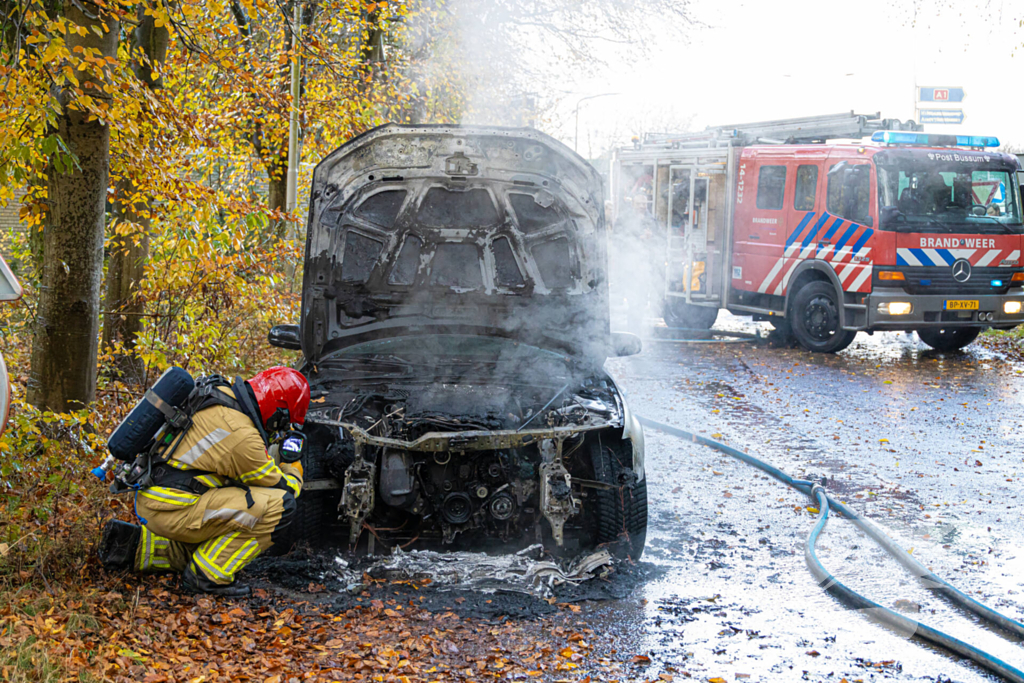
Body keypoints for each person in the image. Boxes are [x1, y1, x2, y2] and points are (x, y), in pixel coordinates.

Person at [98, 367, 310, 596]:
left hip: (156, 497)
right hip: (172, 507)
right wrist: (293, 465)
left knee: (228, 517)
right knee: (278, 505)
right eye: (282, 422)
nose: (278, 429)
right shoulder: (241, 436)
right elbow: (281, 486)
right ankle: (207, 577)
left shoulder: (218, 392)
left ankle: (135, 547)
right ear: (277, 411)